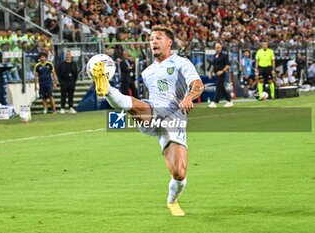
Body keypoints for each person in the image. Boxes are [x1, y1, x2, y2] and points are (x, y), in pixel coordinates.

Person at [90, 25, 204, 216]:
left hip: (174, 120)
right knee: (136, 105)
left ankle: (172, 200)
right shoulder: (147, 71)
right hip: (153, 110)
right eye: (151, 39)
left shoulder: (181, 62)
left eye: (158, 38)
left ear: (169, 42)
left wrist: (188, 97)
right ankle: (106, 87)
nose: (153, 42)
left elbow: (198, 85)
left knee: (179, 173)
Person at [208, 43, 233, 108]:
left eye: (218, 47)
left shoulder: (224, 56)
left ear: (221, 48)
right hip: (216, 74)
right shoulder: (214, 56)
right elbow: (212, 65)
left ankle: (215, 102)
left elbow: (228, 65)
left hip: (222, 74)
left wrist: (222, 71)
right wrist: (210, 73)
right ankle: (229, 101)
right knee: (222, 89)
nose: (217, 49)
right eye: (216, 47)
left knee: (218, 86)